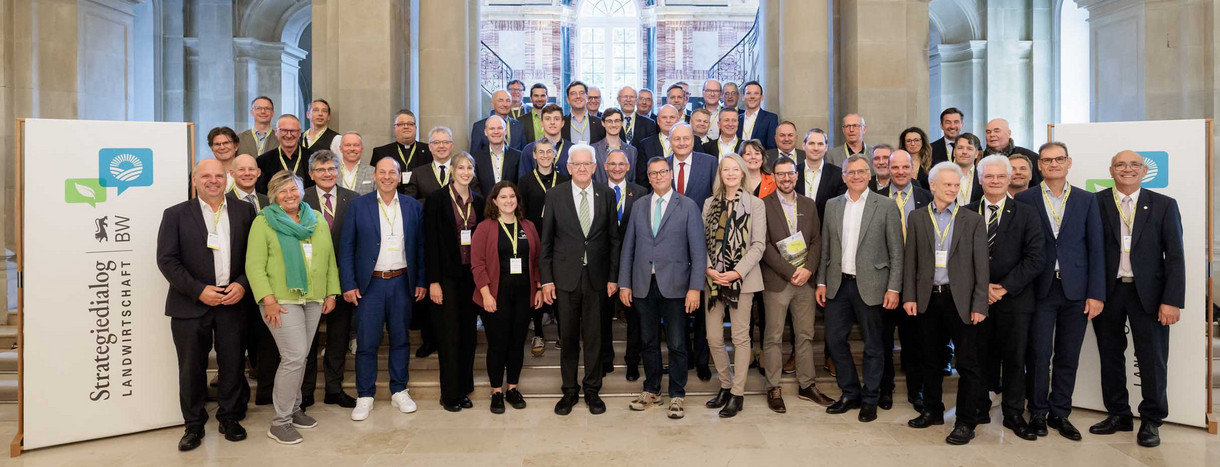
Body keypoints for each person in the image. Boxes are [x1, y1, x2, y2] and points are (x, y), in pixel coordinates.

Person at [158, 159, 257, 451]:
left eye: (218, 175)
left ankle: (229, 417)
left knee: (233, 364)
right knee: (191, 368)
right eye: (206, 176)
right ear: (195, 180)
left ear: (227, 179)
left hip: (233, 301)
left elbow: (256, 255)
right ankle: (193, 425)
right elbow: (167, 260)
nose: (213, 181)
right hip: (190, 304)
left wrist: (242, 283)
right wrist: (199, 291)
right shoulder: (175, 214)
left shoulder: (244, 210)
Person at [1089, 150, 1185, 448]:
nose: (1127, 169)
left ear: (1144, 170)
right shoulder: (1096, 202)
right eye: (1120, 164)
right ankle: (1118, 413)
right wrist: (1092, 293)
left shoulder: (1164, 205)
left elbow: (1175, 257)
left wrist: (1172, 300)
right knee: (1110, 354)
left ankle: (1151, 419)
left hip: (1150, 295)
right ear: (1111, 170)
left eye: (1133, 165)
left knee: (1152, 358)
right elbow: (1088, 250)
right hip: (1109, 292)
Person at [1015, 141, 1105, 441]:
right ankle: (1038, 412)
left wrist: (1096, 293)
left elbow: (1097, 249)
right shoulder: (1024, 199)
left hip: (1076, 290)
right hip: (1039, 289)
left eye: (1059, 159)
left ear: (1069, 163)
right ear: (1039, 165)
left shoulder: (1086, 200)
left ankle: (1060, 413)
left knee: (1068, 355)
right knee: (1039, 353)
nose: (1053, 164)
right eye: (1047, 160)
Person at [245, 170, 340, 444]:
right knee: (294, 357)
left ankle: (295, 408)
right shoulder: (264, 222)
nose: (289, 195)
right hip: (281, 302)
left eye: (293, 189)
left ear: (302, 190)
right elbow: (254, 265)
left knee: (302, 356)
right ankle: (280, 421)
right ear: (274, 195)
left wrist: (331, 292)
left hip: (313, 298)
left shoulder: (316, 219)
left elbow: (328, 258)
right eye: (282, 190)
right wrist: (268, 299)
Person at [900, 162, 990, 445]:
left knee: (968, 363)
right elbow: (911, 261)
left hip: (961, 301)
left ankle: (965, 421)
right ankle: (932, 410)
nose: (953, 189)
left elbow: (981, 268)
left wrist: (980, 304)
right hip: (928, 298)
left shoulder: (972, 219)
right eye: (948, 184)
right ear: (933, 185)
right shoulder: (916, 218)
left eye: (957, 185)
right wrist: (910, 296)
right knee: (930, 359)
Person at [339, 157, 428, 422]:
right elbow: (346, 248)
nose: (388, 176)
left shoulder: (413, 207)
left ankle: (399, 390)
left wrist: (421, 280)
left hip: (402, 281)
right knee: (367, 342)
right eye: (383, 172)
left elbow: (421, 247)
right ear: (375, 176)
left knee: (401, 339)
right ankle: (365, 395)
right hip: (370, 285)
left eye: (393, 172)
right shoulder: (358, 206)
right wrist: (349, 283)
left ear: (400, 177)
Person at [817, 155, 904, 423]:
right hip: (838, 284)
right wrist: (821, 281)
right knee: (834, 340)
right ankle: (850, 392)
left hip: (874, 286)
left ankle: (870, 398)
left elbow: (896, 252)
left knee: (874, 345)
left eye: (861, 171)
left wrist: (894, 288)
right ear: (843, 177)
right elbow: (826, 248)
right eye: (850, 172)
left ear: (870, 175)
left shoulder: (886, 205)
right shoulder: (832, 205)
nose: (855, 176)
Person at [964, 154, 1044, 441]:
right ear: (980, 179)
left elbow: (1035, 258)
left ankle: (1013, 412)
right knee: (980, 356)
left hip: (1016, 300)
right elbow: (958, 258)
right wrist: (982, 288)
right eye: (989, 176)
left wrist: (1003, 288)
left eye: (1000, 176)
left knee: (1014, 358)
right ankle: (979, 407)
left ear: (1010, 179)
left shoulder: (1027, 213)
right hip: (977, 298)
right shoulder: (967, 212)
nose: (995, 181)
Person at [620, 156, 706, 419]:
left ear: (670, 174)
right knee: (648, 340)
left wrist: (695, 288)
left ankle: (677, 394)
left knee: (678, 343)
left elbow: (698, 251)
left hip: (677, 285)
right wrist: (625, 282)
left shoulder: (688, 206)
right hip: (643, 283)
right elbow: (629, 248)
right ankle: (652, 389)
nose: (658, 176)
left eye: (662, 172)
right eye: (653, 173)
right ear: (648, 177)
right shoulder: (639, 205)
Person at [540, 144, 621, 416]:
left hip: (598, 278)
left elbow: (613, 239)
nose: (583, 168)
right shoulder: (555, 195)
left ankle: (593, 391)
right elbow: (547, 242)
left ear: (595, 168)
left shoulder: (607, 194)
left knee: (596, 337)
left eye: (588, 164)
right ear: (569, 167)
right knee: (569, 338)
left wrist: (613, 276)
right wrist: (546, 280)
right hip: (565, 279)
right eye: (578, 164)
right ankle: (569, 392)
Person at [760, 157, 834, 413]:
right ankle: (773, 387)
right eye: (780, 174)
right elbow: (764, 245)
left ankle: (807, 385)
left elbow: (816, 241)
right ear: (774, 177)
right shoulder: (763, 205)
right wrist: (791, 271)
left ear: (796, 175)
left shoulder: (809, 204)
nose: (786, 178)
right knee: (773, 336)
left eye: (790, 173)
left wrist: (808, 270)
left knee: (805, 335)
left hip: (805, 281)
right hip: (777, 281)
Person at [699, 154, 766, 418]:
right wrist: (709, 269)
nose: (730, 173)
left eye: (734, 169)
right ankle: (725, 385)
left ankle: (738, 393)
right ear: (720, 174)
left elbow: (758, 245)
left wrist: (736, 272)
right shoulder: (709, 203)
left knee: (740, 338)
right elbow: (701, 241)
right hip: (713, 280)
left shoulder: (755, 204)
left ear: (742, 173)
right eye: (725, 169)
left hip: (743, 280)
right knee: (713, 337)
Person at [471, 181, 542, 413]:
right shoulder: (485, 227)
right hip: (495, 294)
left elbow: (537, 260)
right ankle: (496, 392)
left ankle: (512, 388)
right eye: (503, 197)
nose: (509, 201)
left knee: (516, 343)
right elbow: (478, 264)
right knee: (497, 344)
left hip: (523, 294)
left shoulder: (528, 226)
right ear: (494, 201)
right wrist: (486, 294)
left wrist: (539, 287)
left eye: (512, 196)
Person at [423, 152, 485, 412]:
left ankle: (464, 389)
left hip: (471, 277)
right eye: (461, 167)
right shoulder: (437, 200)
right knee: (449, 336)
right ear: (452, 170)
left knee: (468, 335)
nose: (465, 171)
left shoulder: (480, 202)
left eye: (469, 167)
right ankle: (449, 393)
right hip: (446, 277)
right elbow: (430, 242)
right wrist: (433, 281)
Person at [877, 148, 933, 412]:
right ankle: (885, 389)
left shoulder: (927, 197)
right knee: (883, 339)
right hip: (883, 281)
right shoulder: (874, 198)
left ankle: (916, 390)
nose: (900, 172)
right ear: (887, 169)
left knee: (916, 341)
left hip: (916, 281)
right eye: (894, 167)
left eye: (904, 167)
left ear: (912, 169)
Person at [301, 150, 359, 409]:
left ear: (338, 171)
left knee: (338, 337)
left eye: (331, 169)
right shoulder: (300, 199)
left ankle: (334, 389)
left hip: (343, 279)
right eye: (321, 170)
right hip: (308, 280)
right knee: (308, 339)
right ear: (312, 174)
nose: (327, 174)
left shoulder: (353, 199)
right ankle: (305, 392)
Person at [668, 123, 718, 381]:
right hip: (670, 247)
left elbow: (716, 198)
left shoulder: (709, 162)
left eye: (686, 138)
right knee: (676, 304)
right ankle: (682, 355)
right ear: (670, 141)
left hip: (701, 242)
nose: (682, 142)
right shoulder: (661, 165)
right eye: (676, 138)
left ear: (693, 140)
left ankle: (702, 359)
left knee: (702, 307)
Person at [518, 139, 569, 356]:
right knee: (536, 285)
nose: (546, 155)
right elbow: (520, 212)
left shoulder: (565, 179)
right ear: (534, 156)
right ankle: (538, 331)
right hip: (535, 239)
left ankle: (562, 333)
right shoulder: (525, 181)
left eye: (550, 152)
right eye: (541, 152)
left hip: (560, 240)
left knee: (558, 285)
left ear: (555, 155)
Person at [600, 149, 648, 379]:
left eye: (621, 164)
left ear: (628, 167)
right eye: (613, 164)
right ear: (605, 167)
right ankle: (605, 358)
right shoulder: (597, 191)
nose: (617, 168)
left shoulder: (641, 192)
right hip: (603, 262)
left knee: (635, 316)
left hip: (633, 261)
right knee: (602, 315)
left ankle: (632, 360)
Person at [370, 109, 432, 192]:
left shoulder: (429, 150)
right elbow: (375, 182)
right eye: (401, 124)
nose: (406, 127)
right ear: (394, 128)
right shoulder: (381, 152)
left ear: (415, 128)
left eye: (410, 124)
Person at [795, 128, 846, 221]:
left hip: (826, 230)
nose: (816, 148)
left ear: (826, 147)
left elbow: (840, 209)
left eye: (820, 144)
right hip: (797, 229)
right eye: (811, 143)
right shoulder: (793, 172)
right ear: (803, 145)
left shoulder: (838, 175)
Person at [255, 114, 311, 193]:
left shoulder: (312, 158)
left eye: (293, 131)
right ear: (276, 132)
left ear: (299, 133)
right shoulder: (262, 161)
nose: (288, 135)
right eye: (284, 130)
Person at [404, 127, 460, 201]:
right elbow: (409, 202)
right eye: (436, 142)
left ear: (452, 146)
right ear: (430, 147)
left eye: (446, 142)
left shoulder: (463, 171)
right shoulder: (418, 173)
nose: (441, 146)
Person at [518, 104, 573, 178]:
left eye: (556, 119)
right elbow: (523, 181)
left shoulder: (572, 149)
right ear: (542, 123)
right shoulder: (529, 150)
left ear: (562, 123)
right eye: (548, 119)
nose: (552, 122)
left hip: (566, 189)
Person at [473, 115, 522, 195]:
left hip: (510, 204)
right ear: (485, 132)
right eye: (492, 128)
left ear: (505, 131)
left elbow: (520, 185)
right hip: (484, 206)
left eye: (500, 128)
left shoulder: (518, 156)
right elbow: (475, 187)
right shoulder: (476, 158)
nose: (496, 132)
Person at [984, 118, 1041, 185]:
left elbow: (1038, 186)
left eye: (997, 131)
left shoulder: (1030, 157)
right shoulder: (979, 158)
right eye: (988, 132)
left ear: (1009, 133)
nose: (992, 135)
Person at [635, 104, 682, 182]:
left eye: (672, 117)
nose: (668, 120)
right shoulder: (645, 144)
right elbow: (642, 177)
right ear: (658, 121)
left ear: (678, 120)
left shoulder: (690, 142)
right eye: (664, 117)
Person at [592, 108, 639, 184]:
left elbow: (632, 180)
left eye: (617, 121)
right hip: (600, 194)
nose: (613, 125)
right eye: (609, 121)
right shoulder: (593, 150)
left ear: (622, 123)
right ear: (603, 123)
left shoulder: (632, 151)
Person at [737, 81, 778, 149]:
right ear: (743, 97)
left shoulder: (771, 119)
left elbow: (772, 148)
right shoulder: (736, 119)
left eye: (756, 93)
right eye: (748, 93)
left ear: (761, 97)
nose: (752, 96)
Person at [953, 133, 984, 205]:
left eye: (969, 148)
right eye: (960, 148)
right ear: (954, 152)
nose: (964, 152)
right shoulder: (943, 175)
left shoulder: (983, 177)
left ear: (976, 153)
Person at [208, 126, 240, 191]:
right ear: (212, 148)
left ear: (236, 146)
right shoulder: (204, 172)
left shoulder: (248, 172)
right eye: (217, 144)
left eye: (226, 143)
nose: (222, 147)